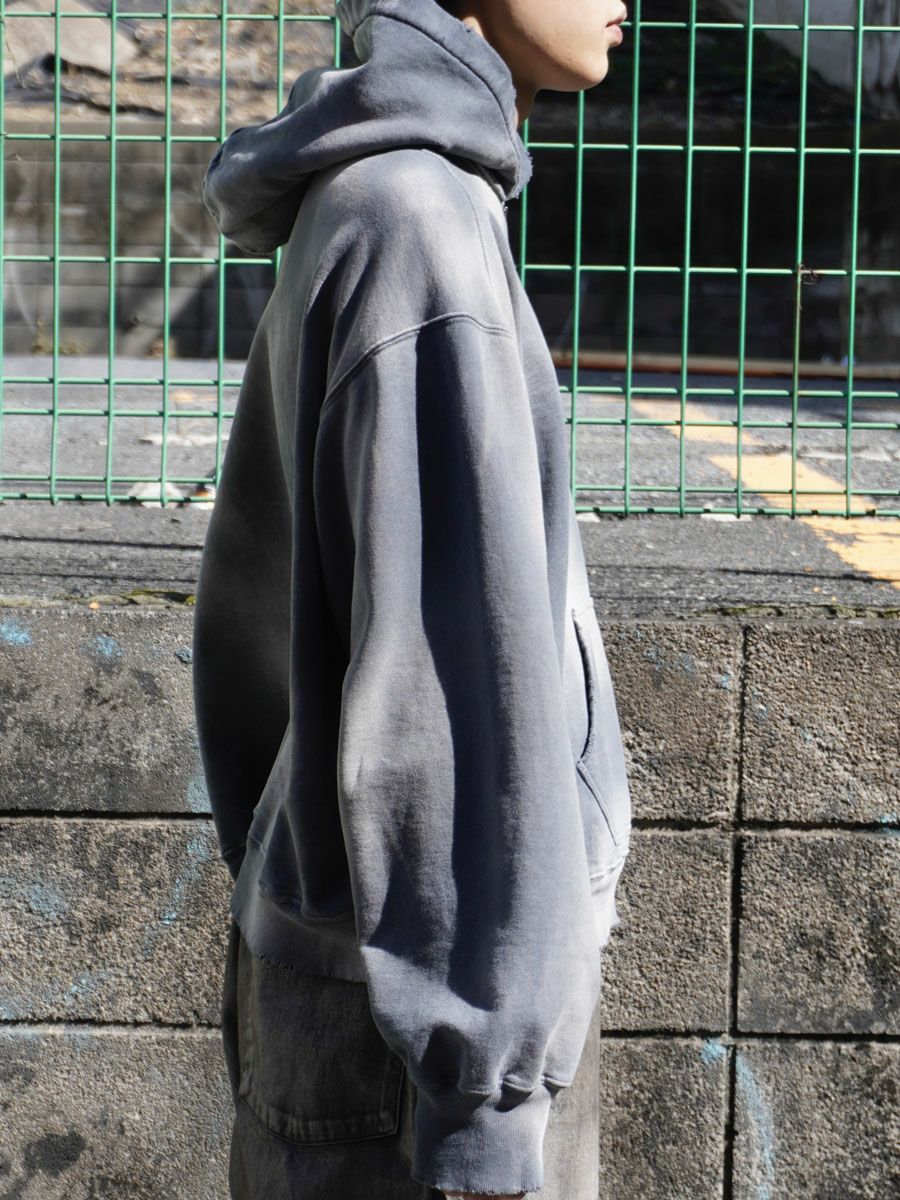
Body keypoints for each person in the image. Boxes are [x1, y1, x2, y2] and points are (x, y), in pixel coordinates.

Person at [192, 2, 632, 1198]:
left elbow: (253, 632)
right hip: (422, 1064)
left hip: (357, 982)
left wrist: (314, 883)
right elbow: (452, 713)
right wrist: (484, 1100)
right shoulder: (421, 228)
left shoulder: (371, 196)